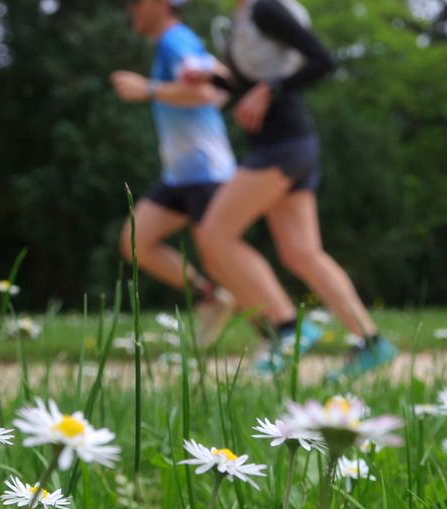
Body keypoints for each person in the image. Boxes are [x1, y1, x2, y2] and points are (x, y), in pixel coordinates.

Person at [186, 0, 398, 378]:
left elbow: (321, 59)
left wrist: (271, 90)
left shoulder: (265, 9)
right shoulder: (241, 20)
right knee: (302, 253)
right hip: (288, 145)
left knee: (215, 234)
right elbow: (245, 84)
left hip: (282, 147)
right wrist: (211, 80)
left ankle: (287, 329)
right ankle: (371, 342)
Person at [110, 0, 238, 347]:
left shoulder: (174, 41)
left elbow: (203, 91)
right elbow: (223, 85)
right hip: (181, 174)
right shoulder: (179, 41)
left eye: (135, 3)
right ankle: (211, 298)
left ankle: (277, 330)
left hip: (205, 170)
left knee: (220, 256)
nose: (129, 10)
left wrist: (148, 89)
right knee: (137, 243)